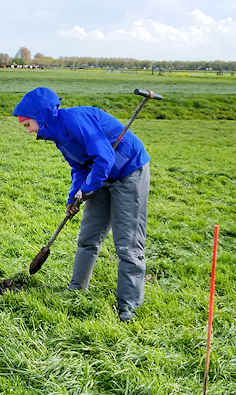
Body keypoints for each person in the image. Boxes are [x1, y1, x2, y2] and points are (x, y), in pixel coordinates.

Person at [13, 87, 150, 322]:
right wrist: (73, 197)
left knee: (127, 244)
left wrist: (86, 190)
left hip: (128, 172)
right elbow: (79, 167)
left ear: (41, 115)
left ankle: (129, 307)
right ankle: (76, 291)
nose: (27, 131)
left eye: (27, 125)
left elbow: (104, 157)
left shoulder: (75, 120)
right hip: (100, 175)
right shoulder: (56, 134)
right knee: (88, 238)